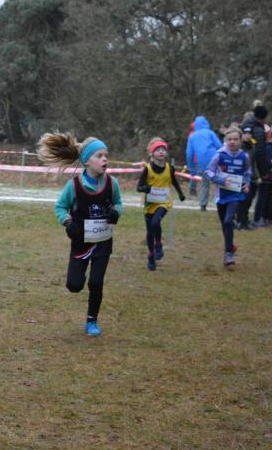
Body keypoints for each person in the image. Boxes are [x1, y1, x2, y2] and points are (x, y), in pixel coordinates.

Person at [40, 133, 123, 337]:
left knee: (96, 283)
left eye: (106, 155)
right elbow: (60, 207)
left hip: (103, 242)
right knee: (74, 285)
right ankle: (79, 275)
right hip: (80, 243)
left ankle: (92, 321)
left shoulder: (112, 184)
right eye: (100, 155)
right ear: (87, 161)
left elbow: (119, 203)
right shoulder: (74, 186)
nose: (105, 159)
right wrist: (68, 222)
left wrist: (116, 212)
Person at [202, 126, 251, 267]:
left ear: (240, 141)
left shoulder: (244, 157)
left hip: (235, 195)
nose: (232, 142)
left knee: (229, 221)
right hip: (221, 195)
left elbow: (247, 172)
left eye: (236, 139)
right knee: (225, 224)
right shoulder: (219, 155)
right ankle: (230, 246)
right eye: (229, 139)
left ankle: (228, 254)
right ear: (225, 141)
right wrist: (221, 180)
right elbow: (209, 172)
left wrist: (247, 183)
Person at [135, 137, 186, 270]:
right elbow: (139, 187)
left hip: (164, 202)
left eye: (163, 149)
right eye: (158, 150)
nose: (161, 152)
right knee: (150, 231)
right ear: (152, 153)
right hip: (150, 203)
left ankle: (158, 244)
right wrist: (145, 188)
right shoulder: (147, 169)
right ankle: (151, 257)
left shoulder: (170, 168)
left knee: (155, 223)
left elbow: (174, 181)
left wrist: (180, 194)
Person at [242, 105, 271, 227]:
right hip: (251, 166)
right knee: (250, 194)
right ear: (263, 118)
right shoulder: (258, 130)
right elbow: (259, 152)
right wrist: (263, 171)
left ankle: (242, 219)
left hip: (242, 163)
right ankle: (244, 220)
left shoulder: (244, 125)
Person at [186, 116, 222, 211]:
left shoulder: (192, 136)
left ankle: (203, 205)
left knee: (204, 184)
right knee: (220, 182)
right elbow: (219, 146)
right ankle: (222, 202)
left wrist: (192, 169)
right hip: (215, 159)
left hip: (202, 163)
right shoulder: (210, 133)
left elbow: (189, 154)